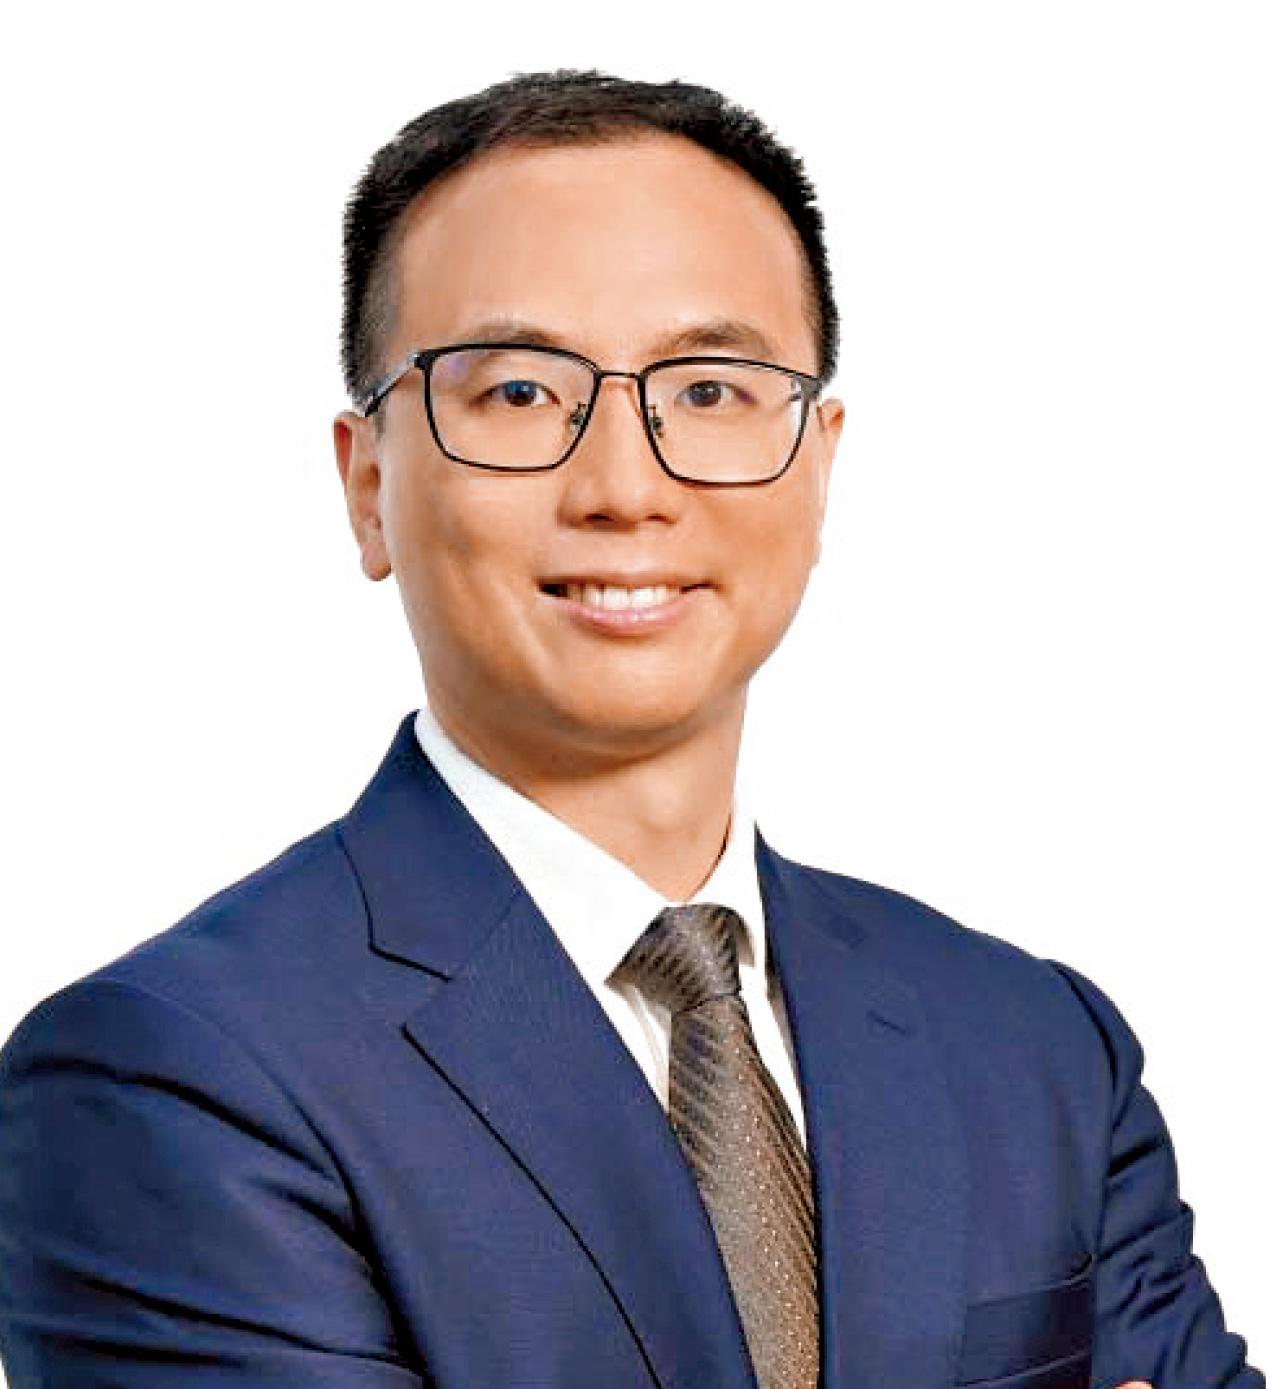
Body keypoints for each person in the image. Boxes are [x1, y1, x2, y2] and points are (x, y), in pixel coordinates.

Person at [0, 70, 1262, 1389]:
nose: (625, 485)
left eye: (710, 391)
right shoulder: (173, 1079)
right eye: (518, 394)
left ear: (818, 462)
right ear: (368, 484)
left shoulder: (1035, 1046)